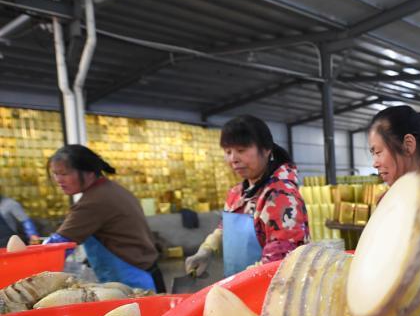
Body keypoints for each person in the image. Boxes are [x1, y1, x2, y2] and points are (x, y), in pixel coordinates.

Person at [186, 115, 309, 278]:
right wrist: (207, 248)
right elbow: (225, 227)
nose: (233, 159)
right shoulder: (237, 193)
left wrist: (236, 284)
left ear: (266, 150)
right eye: (228, 152)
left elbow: (280, 261)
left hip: (268, 290)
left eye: (241, 151)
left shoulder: (281, 197)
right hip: (239, 286)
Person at [45, 145, 165, 291]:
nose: (58, 180)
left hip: (134, 282)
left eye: (64, 174)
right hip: (147, 271)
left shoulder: (93, 202)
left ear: (88, 172)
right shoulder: (111, 189)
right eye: (55, 174)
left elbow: (57, 246)